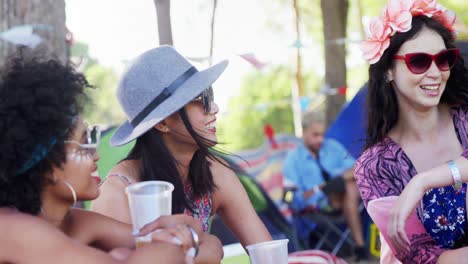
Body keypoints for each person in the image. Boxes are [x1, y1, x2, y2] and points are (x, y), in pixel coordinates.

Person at [0, 52, 218, 264]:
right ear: (50, 165)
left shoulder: (79, 222)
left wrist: (179, 236)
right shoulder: (12, 230)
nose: (97, 155)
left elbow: (211, 244)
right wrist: (175, 243)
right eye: (84, 144)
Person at [91, 45, 272, 250]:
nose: (214, 108)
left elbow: (266, 252)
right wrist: (209, 249)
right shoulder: (119, 194)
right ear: (162, 123)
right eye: (200, 99)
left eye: (209, 95)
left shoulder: (216, 175)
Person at [355, 0, 468, 262]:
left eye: (443, 59)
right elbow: (422, 257)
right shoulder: (374, 167)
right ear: (387, 72)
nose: (435, 73)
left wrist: (422, 182)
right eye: (418, 61)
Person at [282, 110, 366, 258]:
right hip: (315, 208)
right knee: (348, 186)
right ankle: (360, 247)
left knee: (348, 185)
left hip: (343, 198)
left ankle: (360, 247)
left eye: (322, 134)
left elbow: (358, 168)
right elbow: (291, 198)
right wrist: (321, 189)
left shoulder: (332, 146)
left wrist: (337, 180)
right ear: (304, 132)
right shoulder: (293, 159)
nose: (320, 139)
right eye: (315, 135)